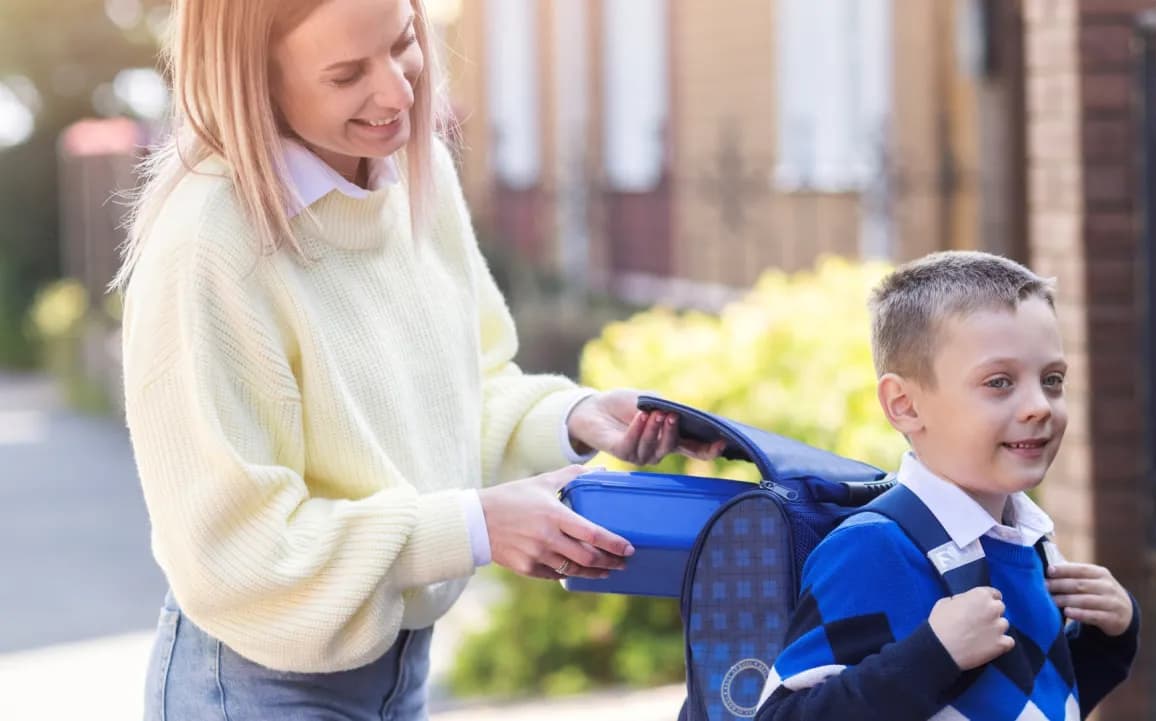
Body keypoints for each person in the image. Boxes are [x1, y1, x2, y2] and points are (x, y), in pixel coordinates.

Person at [115, 0, 721, 718]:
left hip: (399, 673)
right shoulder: (208, 248)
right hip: (257, 685)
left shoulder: (411, 170)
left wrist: (575, 416)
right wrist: (474, 526)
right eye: (347, 75)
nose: (399, 91)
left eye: (403, 42)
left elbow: (460, 394)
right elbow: (239, 553)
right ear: (252, 80)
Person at [755, 251, 1140, 721]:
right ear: (905, 405)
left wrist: (1108, 640)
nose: (1040, 405)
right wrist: (933, 657)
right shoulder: (874, 549)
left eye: (1052, 379)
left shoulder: (1029, 543)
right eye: (999, 382)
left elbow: (1029, 706)